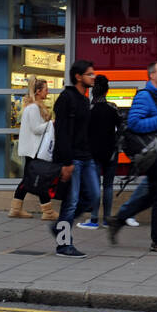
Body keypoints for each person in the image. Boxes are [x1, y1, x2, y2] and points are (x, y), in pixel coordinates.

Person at [107, 61, 157, 252]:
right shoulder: (144, 97)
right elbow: (134, 123)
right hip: (152, 151)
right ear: (152, 76)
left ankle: (119, 219)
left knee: (156, 195)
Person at [51, 60, 100, 257]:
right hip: (72, 159)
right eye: (90, 74)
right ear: (78, 77)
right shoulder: (66, 98)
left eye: (93, 73)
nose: (93, 77)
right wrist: (67, 162)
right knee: (70, 203)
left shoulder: (84, 99)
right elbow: (62, 132)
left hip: (86, 157)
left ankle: (59, 226)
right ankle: (63, 244)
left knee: (93, 196)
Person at [14, 76, 57, 221]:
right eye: (46, 89)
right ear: (38, 91)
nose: (48, 92)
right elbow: (36, 129)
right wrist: (51, 123)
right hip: (33, 150)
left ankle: (16, 208)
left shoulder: (34, 106)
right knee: (38, 179)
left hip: (33, 150)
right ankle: (48, 211)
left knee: (29, 179)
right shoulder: (33, 108)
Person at [86, 75, 122, 229]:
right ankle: (107, 219)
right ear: (107, 91)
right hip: (111, 152)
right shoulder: (113, 108)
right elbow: (121, 129)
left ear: (93, 91)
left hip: (93, 153)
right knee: (108, 186)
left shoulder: (89, 109)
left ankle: (94, 219)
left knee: (95, 185)